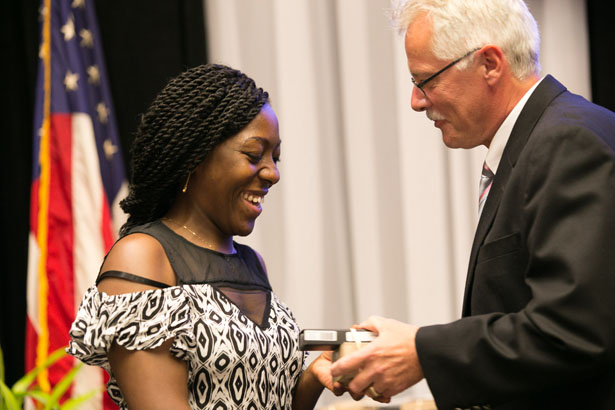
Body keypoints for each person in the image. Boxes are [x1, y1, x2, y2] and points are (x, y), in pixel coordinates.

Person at [331, 1, 615, 409]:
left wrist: (421, 351)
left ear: (489, 64)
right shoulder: (545, 139)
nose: (416, 100)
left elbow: (574, 332)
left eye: (425, 79)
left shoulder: (567, 143)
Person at [67, 64, 337, 410]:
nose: (273, 172)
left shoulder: (251, 263)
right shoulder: (144, 258)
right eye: (254, 155)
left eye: (275, 157)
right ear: (195, 156)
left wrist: (317, 374)